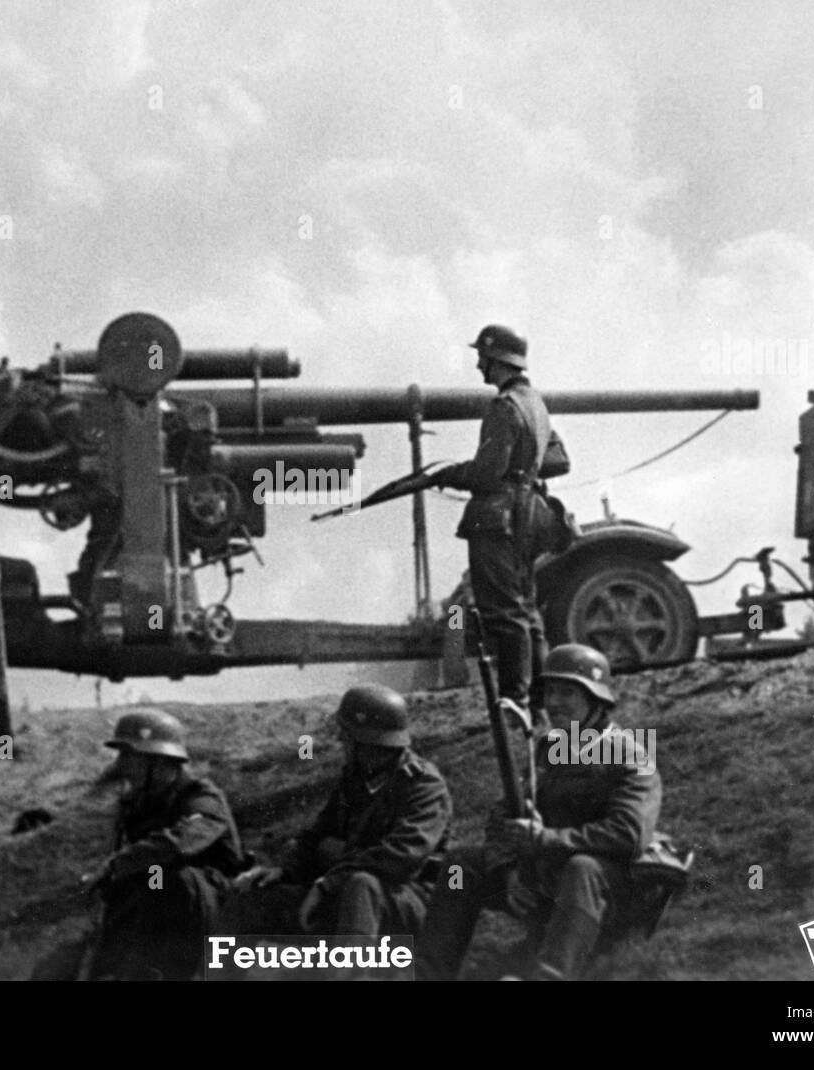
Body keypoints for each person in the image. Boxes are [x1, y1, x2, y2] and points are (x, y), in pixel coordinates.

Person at [415, 644, 662, 981]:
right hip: (546, 877)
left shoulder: (630, 755)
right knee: (461, 865)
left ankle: (550, 975)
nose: (554, 702)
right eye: (550, 692)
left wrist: (546, 839)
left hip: (608, 889)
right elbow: (505, 815)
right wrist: (509, 871)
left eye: (568, 693)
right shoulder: (550, 750)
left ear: (596, 700)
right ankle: (429, 975)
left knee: (582, 867)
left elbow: (628, 834)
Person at [222, 685, 452, 941]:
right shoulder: (355, 779)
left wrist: (328, 884)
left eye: (345, 734)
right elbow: (318, 834)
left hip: (409, 900)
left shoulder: (423, 785)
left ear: (362, 741)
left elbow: (400, 858)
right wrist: (284, 870)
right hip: (345, 887)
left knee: (362, 886)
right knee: (252, 899)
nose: (341, 741)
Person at [433, 324, 560, 712]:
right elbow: (560, 461)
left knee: (503, 613)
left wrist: (449, 473)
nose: (478, 366)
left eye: (482, 358)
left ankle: (514, 700)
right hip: (528, 515)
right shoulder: (535, 403)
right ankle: (538, 698)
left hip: (497, 519)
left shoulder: (504, 408)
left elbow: (487, 473)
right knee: (526, 610)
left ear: (496, 360)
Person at [75, 709, 246, 980]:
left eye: (131, 756)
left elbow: (181, 842)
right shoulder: (137, 803)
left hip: (213, 900)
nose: (122, 765)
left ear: (160, 760)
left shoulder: (202, 797)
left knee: (166, 875)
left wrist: (118, 864)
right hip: (160, 897)